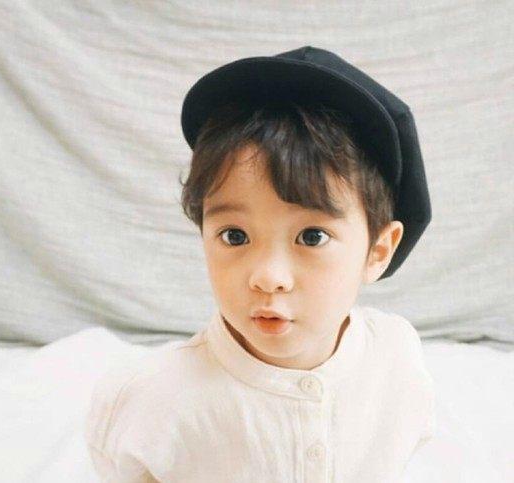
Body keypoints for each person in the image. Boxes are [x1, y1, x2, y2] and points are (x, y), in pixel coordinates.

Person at [84, 46, 436, 482]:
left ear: (378, 250)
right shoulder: (153, 400)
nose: (268, 277)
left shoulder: (395, 356)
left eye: (312, 236)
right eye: (235, 236)